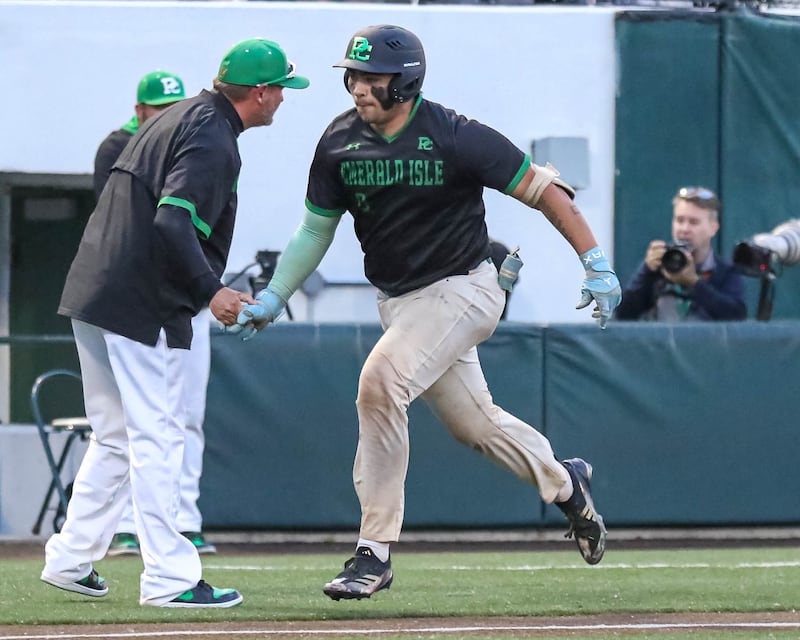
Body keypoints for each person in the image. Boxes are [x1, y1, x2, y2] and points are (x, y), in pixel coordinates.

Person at [232, 25, 620, 601]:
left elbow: (543, 190)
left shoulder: (456, 135)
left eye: (373, 77)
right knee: (475, 425)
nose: (359, 87)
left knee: (380, 384)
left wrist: (595, 261)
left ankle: (373, 551)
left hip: (466, 287)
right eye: (354, 75)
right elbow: (316, 228)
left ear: (407, 80)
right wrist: (275, 294)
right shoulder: (338, 141)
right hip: (403, 303)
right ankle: (567, 484)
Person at [41, 38, 309, 608]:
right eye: (281, 88)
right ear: (259, 93)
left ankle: (69, 557)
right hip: (141, 301)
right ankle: (169, 578)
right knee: (159, 435)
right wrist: (211, 291)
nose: (284, 99)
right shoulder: (212, 136)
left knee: (114, 434)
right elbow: (171, 223)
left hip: (94, 291)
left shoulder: (185, 115)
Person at [94, 70, 217, 558]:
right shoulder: (120, 146)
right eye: (156, 109)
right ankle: (129, 525)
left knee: (186, 412)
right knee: (134, 419)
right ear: (139, 110)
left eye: (173, 108)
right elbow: (140, 225)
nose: (164, 117)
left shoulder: (194, 142)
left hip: (190, 292)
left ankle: (184, 519)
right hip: (140, 296)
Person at [615, 186, 746, 321]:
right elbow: (621, 316)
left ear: (713, 228)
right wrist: (646, 272)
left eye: (693, 222)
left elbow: (736, 316)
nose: (684, 229)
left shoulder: (726, 272)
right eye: (679, 220)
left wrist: (694, 284)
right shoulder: (658, 265)